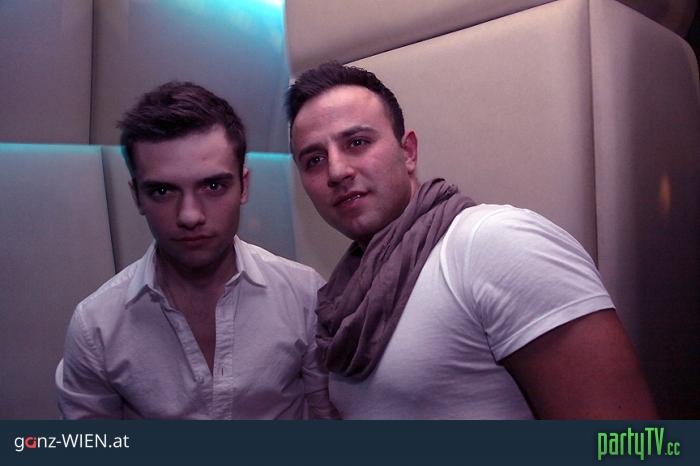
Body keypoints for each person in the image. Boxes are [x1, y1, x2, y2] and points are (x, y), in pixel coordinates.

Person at [286, 62, 657, 419]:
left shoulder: (495, 244)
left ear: (408, 152)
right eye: (314, 160)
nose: (336, 170)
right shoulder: (344, 295)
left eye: (357, 142)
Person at [57, 81, 336, 419]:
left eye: (213, 185)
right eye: (163, 191)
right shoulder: (97, 327)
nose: (189, 216)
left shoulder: (305, 296)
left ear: (243, 186)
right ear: (137, 197)